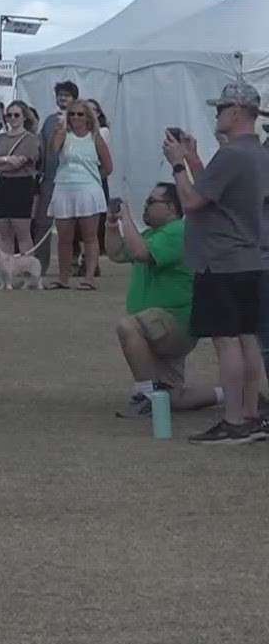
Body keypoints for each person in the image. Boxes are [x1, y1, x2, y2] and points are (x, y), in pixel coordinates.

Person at [164, 83, 269, 444]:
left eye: (221, 108)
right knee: (247, 338)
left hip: (220, 260)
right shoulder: (255, 153)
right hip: (247, 258)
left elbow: (193, 201)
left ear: (237, 111)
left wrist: (178, 165)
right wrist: (194, 160)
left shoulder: (233, 155)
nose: (216, 114)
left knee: (227, 342)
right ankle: (251, 414)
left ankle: (235, 419)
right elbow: (219, 190)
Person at [108, 183, 218, 417]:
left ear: (170, 208)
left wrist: (126, 218)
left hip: (172, 322)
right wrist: (111, 224)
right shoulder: (151, 235)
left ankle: (146, 396)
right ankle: (232, 392)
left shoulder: (178, 231)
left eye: (151, 202)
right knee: (172, 399)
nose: (145, 207)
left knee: (128, 326)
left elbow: (140, 253)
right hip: (158, 328)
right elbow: (115, 253)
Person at [46, 98, 112, 290]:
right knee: (64, 237)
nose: (75, 117)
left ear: (88, 117)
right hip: (64, 188)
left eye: (80, 114)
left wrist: (92, 180)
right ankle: (63, 277)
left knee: (90, 237)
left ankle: (89, 277)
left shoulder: (96, 137)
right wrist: (58, 130)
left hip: (88, 190)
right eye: (72, 113)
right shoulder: (64, 135)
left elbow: (108, 166)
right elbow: (53, 150)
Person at [0, 101, 42, 260]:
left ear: (24, 117)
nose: (12, 118)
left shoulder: (30, 139)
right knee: (5, 233)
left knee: (22, 233)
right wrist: (6, 159)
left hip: (21, 186)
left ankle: (27, 272)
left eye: (16, 115)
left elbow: (18, 164)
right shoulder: (0, 138)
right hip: (2, 186)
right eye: (9, 115)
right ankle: (8, 274)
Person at [34, 80, 81, 269]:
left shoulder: (80, 119)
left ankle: (72, 264)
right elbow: (43, 149)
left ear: (74, 98)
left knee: (72, 227)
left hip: (73, 181)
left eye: (67, 95)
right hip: (50, 180)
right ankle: (39, 267)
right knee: (42, 224)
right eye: (60, 95)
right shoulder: (49, 121)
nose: (62, 98)